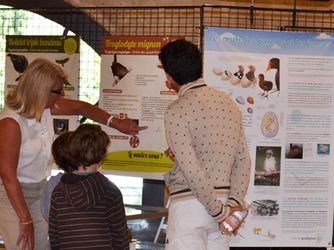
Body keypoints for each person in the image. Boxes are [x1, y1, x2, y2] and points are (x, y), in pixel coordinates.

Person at [0, 57, 146, 250]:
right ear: (41, 90)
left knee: (43, 246)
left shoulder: (45, 106)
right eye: (58, 90)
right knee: (22, 246)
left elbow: (80, 107)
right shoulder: (11, 123)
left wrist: (115, 122)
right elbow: (8, 176)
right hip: (14, 195)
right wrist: (25, 220)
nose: (61, 94)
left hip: (40, 189)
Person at [158, 38, 251, 250]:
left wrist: (219, 211)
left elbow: (192, 171)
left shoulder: (176, 110)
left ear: (169, 76)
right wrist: (232, 205)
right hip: (224, 202)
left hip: (190, 207)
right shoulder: (228, 104)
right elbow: (243, 160)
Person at [48, 124, 129, 249]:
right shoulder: (110, 191)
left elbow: (54, 236)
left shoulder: (58, 192)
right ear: (102, 156)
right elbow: (120, 237)